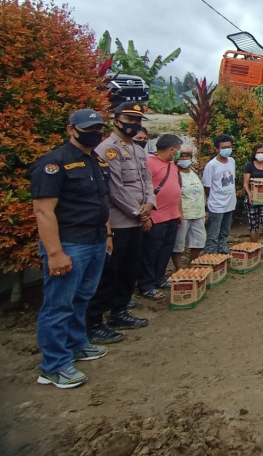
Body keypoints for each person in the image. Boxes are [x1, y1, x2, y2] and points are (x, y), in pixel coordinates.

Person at [31, 109, 111, 388]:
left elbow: (102, 201)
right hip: (69, 243)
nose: (96, 132)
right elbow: (43, 211)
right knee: (58, 305)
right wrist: (54, 252)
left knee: (81, 298)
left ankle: (77, 344)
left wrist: (107, 234)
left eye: (99, 127)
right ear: (71, 129)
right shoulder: (53, 163)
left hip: (95, 240)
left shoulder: (96, 161)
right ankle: (53, 365)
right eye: (89, 127)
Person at [87, 102, 154, 345]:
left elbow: (146, 179)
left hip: (138, 220)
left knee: (129, 270)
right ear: (116, 119)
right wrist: (138, 211)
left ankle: (120, 312)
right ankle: (95, 323)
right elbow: (114, 189)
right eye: (129, 118)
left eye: (137, 119)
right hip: (118, 222)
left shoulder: (137, 149)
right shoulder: (107, 149)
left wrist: (149, 203)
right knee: (110, 273)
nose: (134, 123)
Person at [138, 134, 183, 301]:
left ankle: (159, 278)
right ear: (171, 149)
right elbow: (143, 191)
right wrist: (146, 217)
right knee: (151, 252)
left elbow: (176, 189)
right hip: (156, 217)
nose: (178, 153)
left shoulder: (172, 165)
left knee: (165, 250)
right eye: (178, 150)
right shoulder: (149, 163)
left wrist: (179, 213)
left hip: (172, 216)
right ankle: (146, 285)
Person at [172, 144, 206, 270]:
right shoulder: (174, 173)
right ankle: (178, 268)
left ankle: (191, 264)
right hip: (183, 214)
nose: (184, 159)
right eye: (182, 156)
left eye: (187, 156)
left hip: (198, 213)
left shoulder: (193, 172)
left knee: (199, 242)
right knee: (178, 244)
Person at [202, 134, 237, 254]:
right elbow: (207, 187)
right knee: (213, 235)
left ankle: (222, 255)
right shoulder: (211, 165)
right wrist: (212, 200)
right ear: (217, 149)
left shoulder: (232, 161)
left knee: (224, 233)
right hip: (217, 205)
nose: (227, 149)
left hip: (230, 204)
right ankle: (209, 258)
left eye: (229, 146)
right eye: (224, 147)